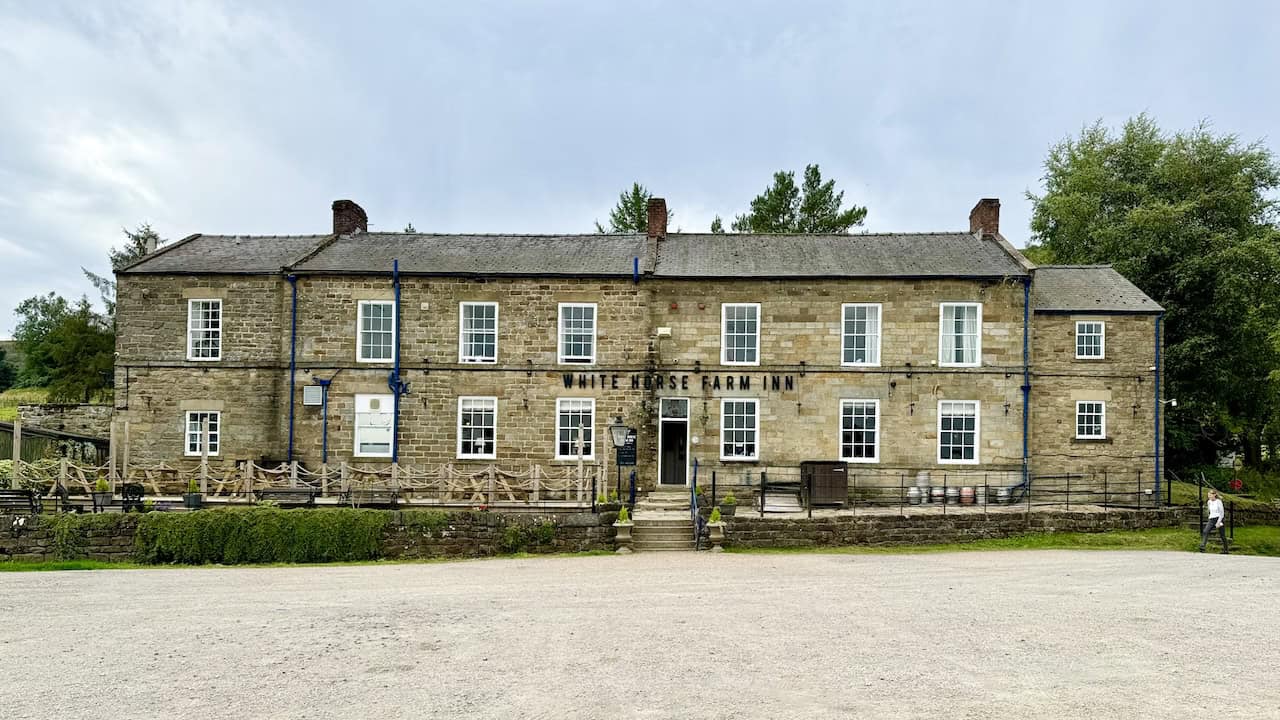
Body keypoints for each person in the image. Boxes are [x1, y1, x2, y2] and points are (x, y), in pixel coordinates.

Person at [1198, 490, 1229, 554]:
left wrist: (1218, 522)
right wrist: (1209, 517)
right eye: (1208, 495)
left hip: (1219, 518)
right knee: (1205, 531)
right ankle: (1202, 546)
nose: (1209, 496)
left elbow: (1222, 513)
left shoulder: (1219, 502)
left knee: (1222, 535)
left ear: (1214, 495)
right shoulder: (1209, 502)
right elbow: (1209, 511)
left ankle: (1226, 550)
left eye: (1210, 495)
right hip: (1212, 519)